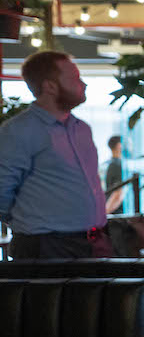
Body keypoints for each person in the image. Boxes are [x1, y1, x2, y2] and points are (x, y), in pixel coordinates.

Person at [0, 51, 111, 259]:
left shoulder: (82, 129)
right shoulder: (18, 130)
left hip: (95, 241)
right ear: (50, 86)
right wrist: (30, 221)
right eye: (74, 78)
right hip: (46, 245)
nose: (83, 84)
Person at [103, 134, 128, 215]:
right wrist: (105, 212)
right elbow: (118, 193)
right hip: (117, 213)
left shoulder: (108, 164)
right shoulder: (117, 165)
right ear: (119, 146)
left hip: (112, 211)